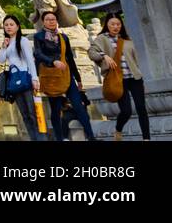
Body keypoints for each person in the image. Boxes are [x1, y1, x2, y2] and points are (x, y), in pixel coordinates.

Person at [34, 10, 94, 142]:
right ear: (43, 22)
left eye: (53, 19)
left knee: (79, 105)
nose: (51, 21)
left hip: (66, 75)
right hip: (51, 77)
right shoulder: (38, 36)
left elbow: (70, 59)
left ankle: (91, 136)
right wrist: (52, 61)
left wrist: (78, 79)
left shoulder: (63, 37)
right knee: (55, 110)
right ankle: (59, 138)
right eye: (48, 19)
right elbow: (38, 54)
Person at [89, 12, 150, 141]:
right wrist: (104, 55)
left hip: (134, 78)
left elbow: (136, 59)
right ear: (107, 25)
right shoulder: (101, 38)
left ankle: (146, 139)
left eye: (118, 24)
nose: (116, 27)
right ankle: (118, 130)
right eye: (112, 24)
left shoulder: (126, 39)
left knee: (141, 108)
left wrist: (142, 76)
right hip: (118, 80)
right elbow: (91, 53)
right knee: (126, 111)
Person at [0, 14, 41, 141]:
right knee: (25, 114)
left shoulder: (23, 41)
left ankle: (40, 138)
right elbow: (1, 60)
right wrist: (4, 47)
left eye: (11, 24)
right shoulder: (8, 43)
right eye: (6, 25)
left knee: (33, 113)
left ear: (17, 26)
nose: (8, 27)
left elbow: (30, 60)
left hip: (26, 79)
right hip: (14, 81)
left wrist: (35, 78)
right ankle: (33, 138)